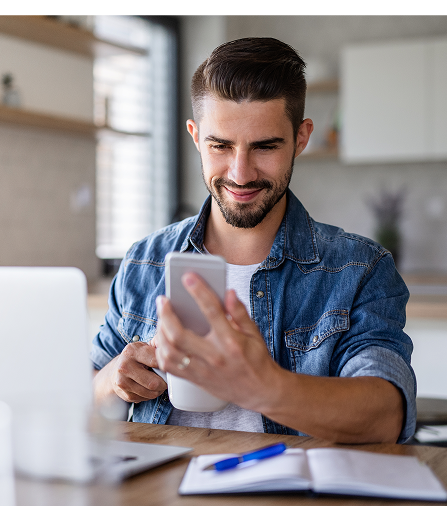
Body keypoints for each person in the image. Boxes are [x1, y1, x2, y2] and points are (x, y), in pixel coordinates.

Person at [90, 37, 416, 444]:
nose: (240, 174)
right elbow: (83, 395)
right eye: (220, 146)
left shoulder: (359, 269)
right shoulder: (145, 260)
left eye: (265, 146)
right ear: (195, 137)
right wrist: (110, 381)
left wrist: (262, 386)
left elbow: (385, 415)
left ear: (300, 138)